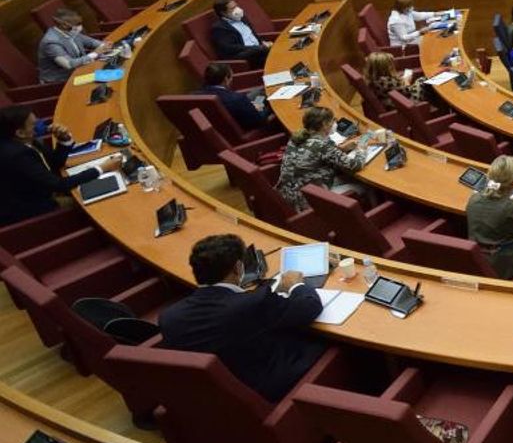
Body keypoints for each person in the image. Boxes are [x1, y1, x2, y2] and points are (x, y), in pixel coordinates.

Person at [158, 233, 325, 403]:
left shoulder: (169, 317)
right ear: (238, 268)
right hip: (270, 389)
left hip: (216, 399)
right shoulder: (251, 304)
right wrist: (296, 285)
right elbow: (309, 307)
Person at [0, 106, 121, 225]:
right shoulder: (18, 156)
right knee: (99, 204)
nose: (42, 126)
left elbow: (54, 163)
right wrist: (102, 168)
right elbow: (59, 185)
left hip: (45, 188)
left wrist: (64, 139)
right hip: (31, 209)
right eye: (34, 124)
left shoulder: (24, 140)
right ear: (20, 132)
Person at [275, 106, 374, 213]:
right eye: (332, 120)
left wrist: (342, 149)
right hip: (309, 200)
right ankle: (373, 215)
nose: (334, 123)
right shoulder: (322, 145)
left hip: (289, 194)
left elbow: (316, 154)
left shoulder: (296, 138)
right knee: (368, 186)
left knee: (347, 176)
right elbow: (356, 165)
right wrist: (361, 150)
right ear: (324, 125)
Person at [36, 6, 106, 84]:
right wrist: (94, 54)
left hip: (79, 72)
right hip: (60, 82)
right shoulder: (51, 42)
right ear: (65, 25)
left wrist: (104, 46)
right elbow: (69, 64)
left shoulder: (72, 32)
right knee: (106, 79)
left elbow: (91, 42)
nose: (80, 27)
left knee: (110, 73)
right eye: (77, 24)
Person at [197, 62, 271, 131]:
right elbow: (258, 120)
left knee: (261, 91)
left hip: (235, 110)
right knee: (269, 101)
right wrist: (259, 106)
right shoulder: (237, 99)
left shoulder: (196, 95)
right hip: (246, 121)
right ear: (226, 79)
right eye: (232, 77)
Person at [210, 0, 271, 69]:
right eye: (232, 8)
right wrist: (256, 48)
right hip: (242, 54)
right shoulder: (219, 28)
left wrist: (261, 41)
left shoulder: (242, 17)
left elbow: (252, 33)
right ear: (223, 13)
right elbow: (230, 48)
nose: (237, 10)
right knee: (268, 52)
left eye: (236, 6)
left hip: (258, 48)